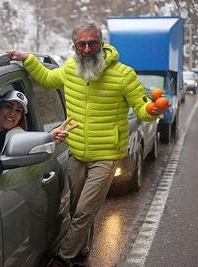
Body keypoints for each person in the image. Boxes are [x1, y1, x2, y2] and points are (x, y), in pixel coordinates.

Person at [8, 22, 165, 267]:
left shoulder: (124, 74)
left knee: (84, 211)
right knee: (73, 209)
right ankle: (81, 248)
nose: (88, 48)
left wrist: (153, 110)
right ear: (75, 47)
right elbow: (48, 79)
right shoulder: (70, 68)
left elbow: (141, 108)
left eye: (93, 43)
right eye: (82, 44)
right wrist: (28, 59)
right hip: (77, 152)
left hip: (106, 155)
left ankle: (64, 258)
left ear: (101, 44)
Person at [0, 89, 77, 151]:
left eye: (18, 110)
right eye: (8, 106)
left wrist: (49, 139)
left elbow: (29, 149)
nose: (12, 113)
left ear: (21, 118)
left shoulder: (18, 136)